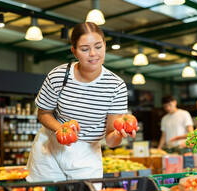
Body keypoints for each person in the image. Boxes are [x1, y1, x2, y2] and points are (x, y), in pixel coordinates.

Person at [26, 22, 137, 182]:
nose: (93, 53)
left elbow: (110, 140)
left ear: (105, 46)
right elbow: (43, 113)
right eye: (85, 49)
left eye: (98, 46)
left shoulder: (116, 86)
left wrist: (119, 134)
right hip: (50, 147)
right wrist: (62, 130)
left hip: (87, 153)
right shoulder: (58, 76)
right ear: (74, 51)